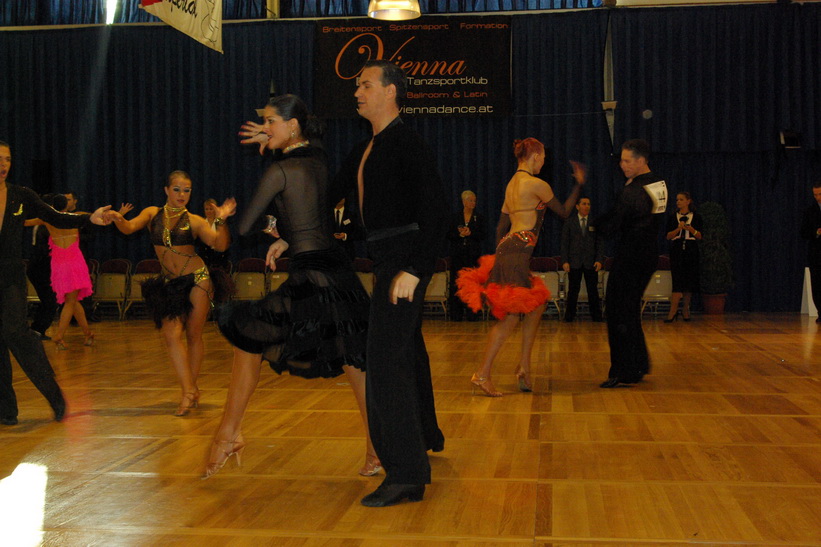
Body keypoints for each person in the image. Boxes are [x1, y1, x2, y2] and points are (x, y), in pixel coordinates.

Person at [203, 94, 375, 479]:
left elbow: (246, 227)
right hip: (338, 271)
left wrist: (262, 225)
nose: (265, 128)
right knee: (354, 362)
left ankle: (227, 435)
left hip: (311, 274)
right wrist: (285, 235)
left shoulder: (280, 171)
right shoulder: (318, 159)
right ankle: (376, 448)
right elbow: (309, 210)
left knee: (248, 337)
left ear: (293, 125)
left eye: (270, 121)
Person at [331, 60, 448, 507]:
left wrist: (415, 269)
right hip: (387, 259)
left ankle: (406, 476)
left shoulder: (407, 143)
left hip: (404, 261)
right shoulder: (366, 148)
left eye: (365, 84)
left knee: (384, 365)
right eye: (357, 85)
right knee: (407, 354)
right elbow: (328, 195)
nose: (357, 92)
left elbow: (435, 210)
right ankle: (426, 436)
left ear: (391, 92)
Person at [457, 139, 584, 397]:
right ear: (535, 155)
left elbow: (500, 228)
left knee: (536, 305)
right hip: (517, 251)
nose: (543, 162)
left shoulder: (512, 185)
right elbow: (564, 211)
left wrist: (500, 256)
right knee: (511, 316)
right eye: (543, 157)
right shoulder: (537, 184)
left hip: (510, 249)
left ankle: (524, 367)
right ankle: (482, 374)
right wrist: (578, 185)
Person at [0, 140, 113, 425]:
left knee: (16, 333)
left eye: (7, 159)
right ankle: (6, 411)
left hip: (10, 275)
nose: (3, 164)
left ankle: (54, 396)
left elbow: (56, 217)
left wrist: (89, 218)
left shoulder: (20, 195)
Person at [110, 171, 235, 416]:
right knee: (171, 335)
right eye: (177, 189)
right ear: (167, 190)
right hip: (170, 283)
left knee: (194, 335)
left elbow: (219, 245)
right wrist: (117, 218)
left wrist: (221, 220)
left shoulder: (195, 221)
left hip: (198, 279)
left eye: (186, 190)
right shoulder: (152, 214)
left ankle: (190, 390)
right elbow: (128, 228)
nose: (181, 194)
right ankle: (189, 390)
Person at [592, 139, 667, 388]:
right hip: (648, 254)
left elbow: (613, 223)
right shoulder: (658, 183)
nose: (622, 165)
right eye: (621, 160)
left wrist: (594, 226)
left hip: (631, 256)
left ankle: (624, 371)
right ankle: (638, 364)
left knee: (618, 310)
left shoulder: (633, 190)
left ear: (641, 160)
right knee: (630, 309)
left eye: (626, 161)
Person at [25, 194, 95, 349]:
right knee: (71, 301)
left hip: (58, 264)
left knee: (73, 300)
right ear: (66, 205)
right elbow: (97, 216)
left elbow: (25, 222)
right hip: (74, 262)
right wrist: (120, 214)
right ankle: (59, 336)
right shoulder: (75, 217)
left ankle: (87, 333)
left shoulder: (46, 220)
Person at [560, 197, 604, 322]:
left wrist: (599, 260)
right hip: (574, 261)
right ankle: (569, 316)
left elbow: (600, 243)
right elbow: (564, 243)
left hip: (591, 262)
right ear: (577, 206)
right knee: (573, 290)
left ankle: (596, 316)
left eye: (588, 204)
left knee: (593, 290)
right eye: (584, 204)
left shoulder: (595, 222)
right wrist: (565, 261)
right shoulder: (570, 222)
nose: (587, 206)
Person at [446, 190, 486, 321]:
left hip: (472, 255)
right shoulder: (454, 217)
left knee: (472, 283)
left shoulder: (479, 217)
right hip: (457, 255)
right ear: (463, 202)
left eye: (474, 201)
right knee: (456, 283)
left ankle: (472, 313)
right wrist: (459, 234)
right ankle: (456, 314)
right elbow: (448, 234)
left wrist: (471, 233)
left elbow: (483, 235)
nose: (473, 203)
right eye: (470, 200)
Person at [664, 192, 702, 322]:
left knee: (689, 281)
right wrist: (678, 229)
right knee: (677, 280)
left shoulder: (696, 217)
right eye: (677, 200)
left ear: (688, 201)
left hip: (691, 249)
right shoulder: (672, 217)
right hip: (677, 249)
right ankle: (672, 311)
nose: (678, 202)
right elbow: (668, 236)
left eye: (681, 199)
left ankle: (686, 309)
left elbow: (700, 236)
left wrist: (691, 230)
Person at [25, 193, 59, 340]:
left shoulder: (41, 221)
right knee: (50, 301)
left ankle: (37, 330)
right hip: (40, 266)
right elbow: (44, 248)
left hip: (38, 265)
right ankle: (37, 330)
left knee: (48, 300)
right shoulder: (45, 223)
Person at [800, 181, 821, 323]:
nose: (818, 197)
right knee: (817, 285)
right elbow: (803, 232)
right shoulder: (809, 211)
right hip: (816, 255)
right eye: (815, 195)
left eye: (820, 194)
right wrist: (816, 232)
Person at [198, 198, 232, 273]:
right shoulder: (201, 224)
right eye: (207, 209)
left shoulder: (220, 224)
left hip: (219, 259)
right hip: (204, 259)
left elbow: (227, 241)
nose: (209, 211)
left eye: (211, 209)